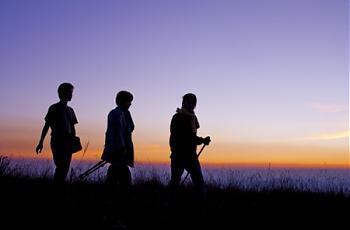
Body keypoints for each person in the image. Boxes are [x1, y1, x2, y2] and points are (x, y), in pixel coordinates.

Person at [36, 82, 79, 184]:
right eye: (69, 92)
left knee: (65, 168)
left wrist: (73, 140)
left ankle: (59, 188)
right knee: (61, 166)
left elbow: (72, 127)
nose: (71, 95)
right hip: (57, 141)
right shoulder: (54, 108)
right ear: (61, 94)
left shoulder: (70, 110)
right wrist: (41, 142)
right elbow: (46, 126)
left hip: (68, 142)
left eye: (72, 93)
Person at [169, 93, 211, 194]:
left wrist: (202, 140)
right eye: (189, 102)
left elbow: (191, 138)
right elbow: (180, 137)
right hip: (179, 156)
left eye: (194, 102)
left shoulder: (193, 118)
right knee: (176, 182)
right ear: (184, 103)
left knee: (199, 182)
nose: (192, 104)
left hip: (191, 156)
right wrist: (201, 140)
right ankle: (168, 201)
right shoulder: (177, 117)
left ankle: (200, 204)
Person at [101, 90, 135, 194]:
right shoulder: (115, 114)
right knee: (121, 174)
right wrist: (119, 149)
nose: (130, 104)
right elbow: (114, 133)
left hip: (123, 150)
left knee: (116, 173)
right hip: (118, 150)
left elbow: (131, 128)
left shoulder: (125, 114)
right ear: (123, 101)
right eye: (129, 101)